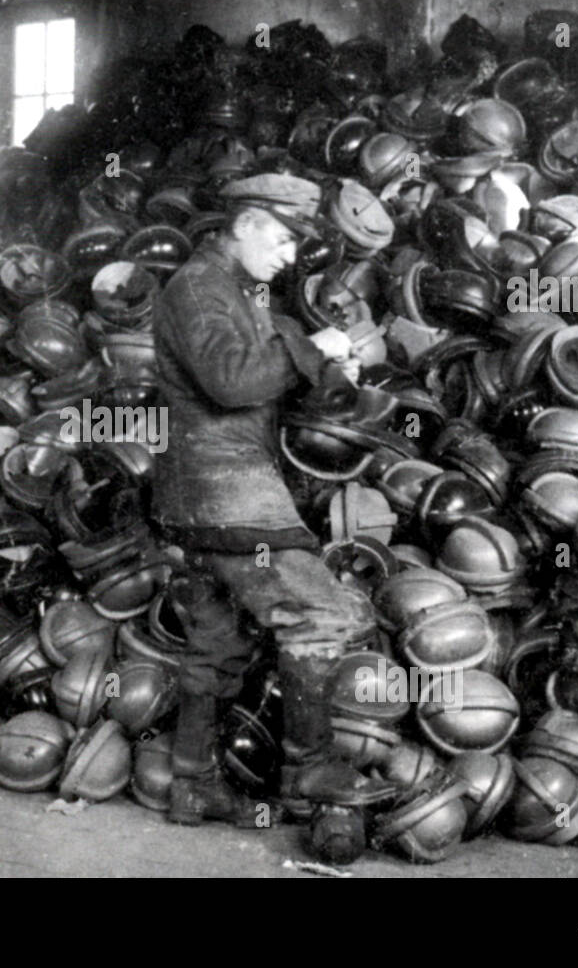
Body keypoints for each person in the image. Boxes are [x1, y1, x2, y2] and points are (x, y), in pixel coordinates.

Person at [151, 172, 377, 827]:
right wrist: (312, 347)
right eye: (280, 240)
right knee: (324, 612)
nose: (286, 257)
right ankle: (308, 768)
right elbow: (232, 380)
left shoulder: (237, 291)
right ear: (246, 223)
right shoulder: (199, 287)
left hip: (200, 494)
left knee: (217, 645)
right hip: (228, 493)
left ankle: (193, 784)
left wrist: (328, 362)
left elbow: (268, 368)